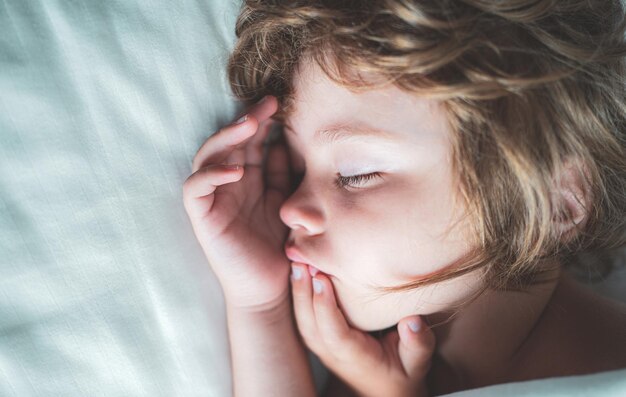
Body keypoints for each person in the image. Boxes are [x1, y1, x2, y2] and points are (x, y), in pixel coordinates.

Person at [182, 0, 626, 395]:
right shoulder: (378, 361)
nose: (290, 208)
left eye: (356, 173)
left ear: (556, 201)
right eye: (297, 169)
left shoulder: (605, 370)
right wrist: (261, 306)